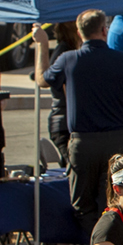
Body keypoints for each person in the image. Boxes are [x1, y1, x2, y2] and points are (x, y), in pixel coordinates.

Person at [44, 10, 123, 238]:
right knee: (118, 201)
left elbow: (43, 79)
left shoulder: (69, 59)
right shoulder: (122, 60)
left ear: (79, 32)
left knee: (83, 204)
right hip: (116, 140)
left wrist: (40, 47)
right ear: (105, 30)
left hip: (83, 142)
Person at [37, 19, 81, 163]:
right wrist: (42, 44)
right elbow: (44, 80)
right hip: (65, 121)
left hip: (68, 120)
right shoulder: (65, 52)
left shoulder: (70, 50)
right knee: (75, 167)